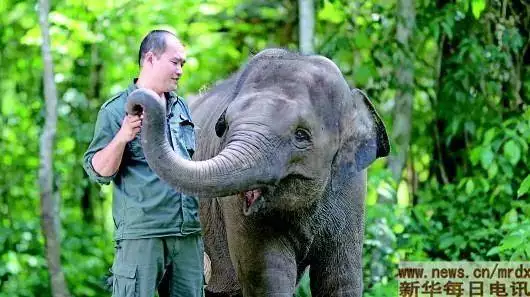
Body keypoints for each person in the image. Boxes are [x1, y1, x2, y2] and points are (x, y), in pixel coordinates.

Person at [83, 29, 203, 297]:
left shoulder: (181, 107)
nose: (180, 70)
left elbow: (195, 164)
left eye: (182, 64)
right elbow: (99, 171)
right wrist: (123, 136)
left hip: (188, 233)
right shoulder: (115, 110)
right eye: (175, 62)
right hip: (143, 235)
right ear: (150, 58)